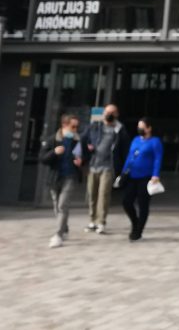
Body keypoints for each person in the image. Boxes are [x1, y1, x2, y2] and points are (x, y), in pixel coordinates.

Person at [80, 103, 130, 235]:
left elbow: (125, 150)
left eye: (112, 113)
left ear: (117, 114)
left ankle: (101, 222)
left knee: (103, 194)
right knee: (92, 194)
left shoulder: (120, 130)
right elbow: (83, 139)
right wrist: (86, 149)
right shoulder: (95, 126)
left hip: (108, 167)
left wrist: (125, 169)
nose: (109, 115)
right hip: (93, 165)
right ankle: (92, 221)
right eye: (107, 112)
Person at [38, 113, 82, 248]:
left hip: (70, 176)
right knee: (57, 206)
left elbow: (82, 156)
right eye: (73, 126)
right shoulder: (53, 140)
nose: (75, 129)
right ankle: (64, 228)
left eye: (77, 127)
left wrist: (80, 162)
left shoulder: (77, 141)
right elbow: (42, 158)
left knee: (63, 205)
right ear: (64, 125)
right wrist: (54, 153)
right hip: (55, 178)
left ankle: (58, 235)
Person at [120, 116, 163, 241]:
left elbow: (157, 159)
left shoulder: (155, 142)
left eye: (142, 127)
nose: (139, 129)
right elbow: (130, 156)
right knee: (126, 201)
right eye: (139, 127)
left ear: (149, 128)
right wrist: (124, 172)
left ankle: (138, 230)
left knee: (143, 204)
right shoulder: (135, 140)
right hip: (133, 175)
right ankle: (135, 221)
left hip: (146, 177)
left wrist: (156, 174)